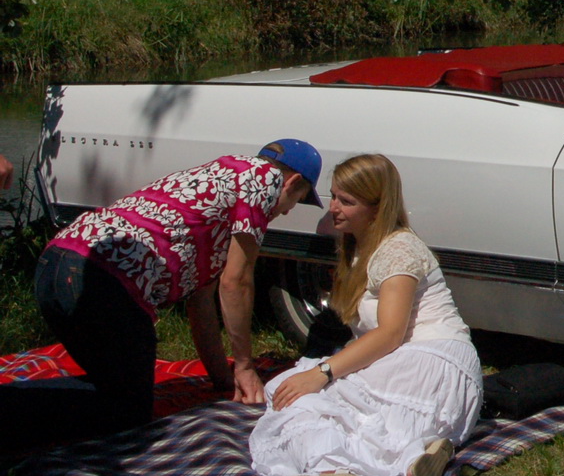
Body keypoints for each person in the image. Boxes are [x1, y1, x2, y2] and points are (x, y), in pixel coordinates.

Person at [0, 140, 323, 447]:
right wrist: (245, 367)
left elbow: (202, 303)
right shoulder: (263, 179)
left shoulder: (218, 186)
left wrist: (223, 381)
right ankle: (11, 407)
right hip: (104, 281)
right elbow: (236, 282)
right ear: (292, 182)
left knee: (115, 391)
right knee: (127, 409)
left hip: (59, 265)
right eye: (298, 199)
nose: (287, 212)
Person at [250, 154, 481, 476]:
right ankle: (416, 453)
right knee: (288, 390)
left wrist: (323, 373)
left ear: (378, 207)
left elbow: (389, 334)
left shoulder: (399, 249)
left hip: (431, 363)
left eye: (347, 201)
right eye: (333, 197)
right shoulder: (361, 245)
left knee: (303, 399)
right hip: (414, 366)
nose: (334, 209)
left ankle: (334, 469)